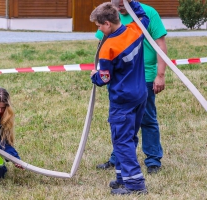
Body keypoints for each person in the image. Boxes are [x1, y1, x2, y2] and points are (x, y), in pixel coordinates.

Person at [96, 0, 167, 174]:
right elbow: (102, 45)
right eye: (115, 2)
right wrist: (100, 70)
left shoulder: (147, 13)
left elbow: (160, 44)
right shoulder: (110, 14)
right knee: (122, 124)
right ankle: (118, 159)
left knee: (147, 119)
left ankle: (152, 160)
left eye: (121, 2)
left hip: (144, 76)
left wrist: (160, 74)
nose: (118, 5)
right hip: (119, 81)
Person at [90, 0, 149, 195]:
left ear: (107, 23)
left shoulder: (109, 48)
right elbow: (144, 18)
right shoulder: (135, 31)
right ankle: (122, 177)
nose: (99, 30)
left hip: (122, 100)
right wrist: (132, 3)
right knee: (129, 137)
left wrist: (95, 77)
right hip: (140, 95)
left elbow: (104, 77)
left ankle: (135, 184)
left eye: (99, 26)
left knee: (122, 140)